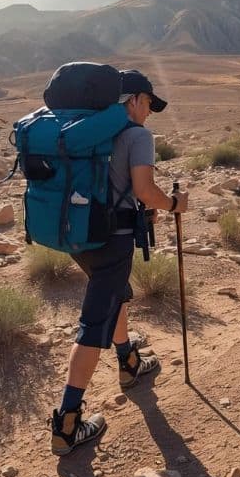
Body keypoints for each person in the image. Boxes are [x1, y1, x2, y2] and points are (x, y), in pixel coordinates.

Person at [49, 69, 190, 456]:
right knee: (94, 324)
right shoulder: (137, 135)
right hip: (113, 241)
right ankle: (66, 425)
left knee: (116, 293)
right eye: (149, 104)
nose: (149, 112)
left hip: (80, 236)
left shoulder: (89, 131)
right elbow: (145, 190)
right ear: (134, 100)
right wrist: (174, 203)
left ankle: (128, 361)